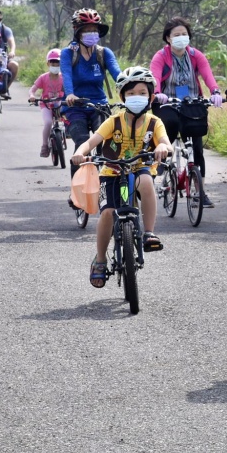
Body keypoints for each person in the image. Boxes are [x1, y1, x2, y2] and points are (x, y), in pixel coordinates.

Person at [70, 67, 171, 288]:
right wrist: (80, 152)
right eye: (131, 93)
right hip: (112, 172)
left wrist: (163, 147)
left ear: (151, 96)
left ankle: (149, 233)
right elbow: (92, 141)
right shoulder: (113, 121)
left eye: (143, 92)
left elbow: (165, 141)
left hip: (140, 168)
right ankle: (100, 259)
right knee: (107, 212)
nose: (137, 97)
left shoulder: (155, 122)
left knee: (146, 180)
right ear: (122, 97)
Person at [150, 16, 224, 208]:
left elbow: (207, 75)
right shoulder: (161, 56)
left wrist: (215, 92)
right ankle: (162, 158)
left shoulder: (196, 55)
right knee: (170, 123)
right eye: (176, 35)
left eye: (184, 34)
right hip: (167, 102)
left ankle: (200, 192)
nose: (181, 37)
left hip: (191, 102)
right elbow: (155, 77)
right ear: (168, 38)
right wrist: (157, 93)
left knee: (197, 149)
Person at [61, 8, 122, 201]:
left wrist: (132, 90)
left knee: (109, 146)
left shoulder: (104, 53)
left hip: (99, 106)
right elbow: (67, 75)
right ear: (77, 31)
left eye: (94, 30)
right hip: (75, 107)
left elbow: (118, 75)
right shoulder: (68, 53)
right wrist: (70, 94)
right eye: (87, 30)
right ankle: (76, 192)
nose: (91, 34)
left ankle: (112, 188)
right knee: (81, 145)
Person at [28, 49, 65, 157]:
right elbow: (32, 89)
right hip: (46, 105)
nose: (55, 64)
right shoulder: (43, 78)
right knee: (48, 123)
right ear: (48, 63)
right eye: (52, 62)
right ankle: (45, 146)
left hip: (60, 104)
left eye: (57, 62)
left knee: (69, 119)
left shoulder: (65, 77)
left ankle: (66, 133)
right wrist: (32, 96)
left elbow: (72, 89)